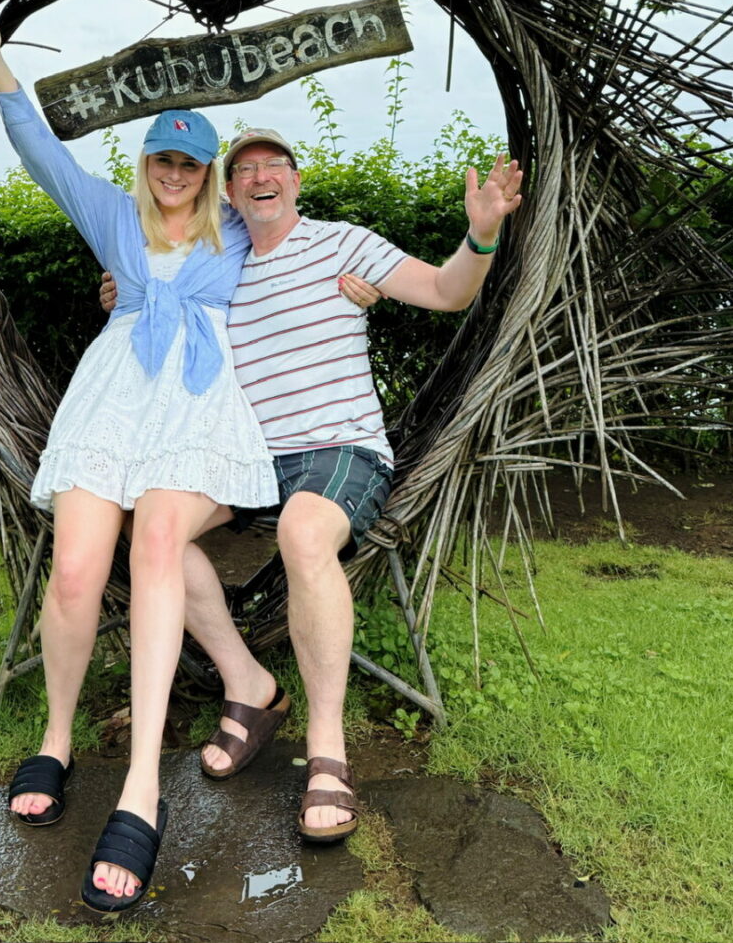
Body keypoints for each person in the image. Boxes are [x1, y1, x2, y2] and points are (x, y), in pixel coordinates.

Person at [103, 124, 523, 841]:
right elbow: (160, 293)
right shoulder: (221, 260)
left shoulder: (342, 244)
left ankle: (328, 749)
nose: (261, 175)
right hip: (249, 458)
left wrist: (479, 236)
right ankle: (251, 684)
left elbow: (447, 291)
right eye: (244, 170)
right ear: (229, 194)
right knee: (154, 530)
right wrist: (124, 288)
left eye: (276, 165)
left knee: (303, 531)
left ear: (296, 180)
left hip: (339, 449)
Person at [0, 0, 282, 913]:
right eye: (163, 156)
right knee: (73, 571)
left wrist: (359, 284)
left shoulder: (239, 235)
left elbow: (303, 236)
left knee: (153, 551)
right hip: (109, 407)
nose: (175, 169)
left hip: (197, 415)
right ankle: (57, 740)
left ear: (210, 170)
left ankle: (142, 783)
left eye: (192, 158)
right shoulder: (113, 219)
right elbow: (39, 152)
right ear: (145, 164)